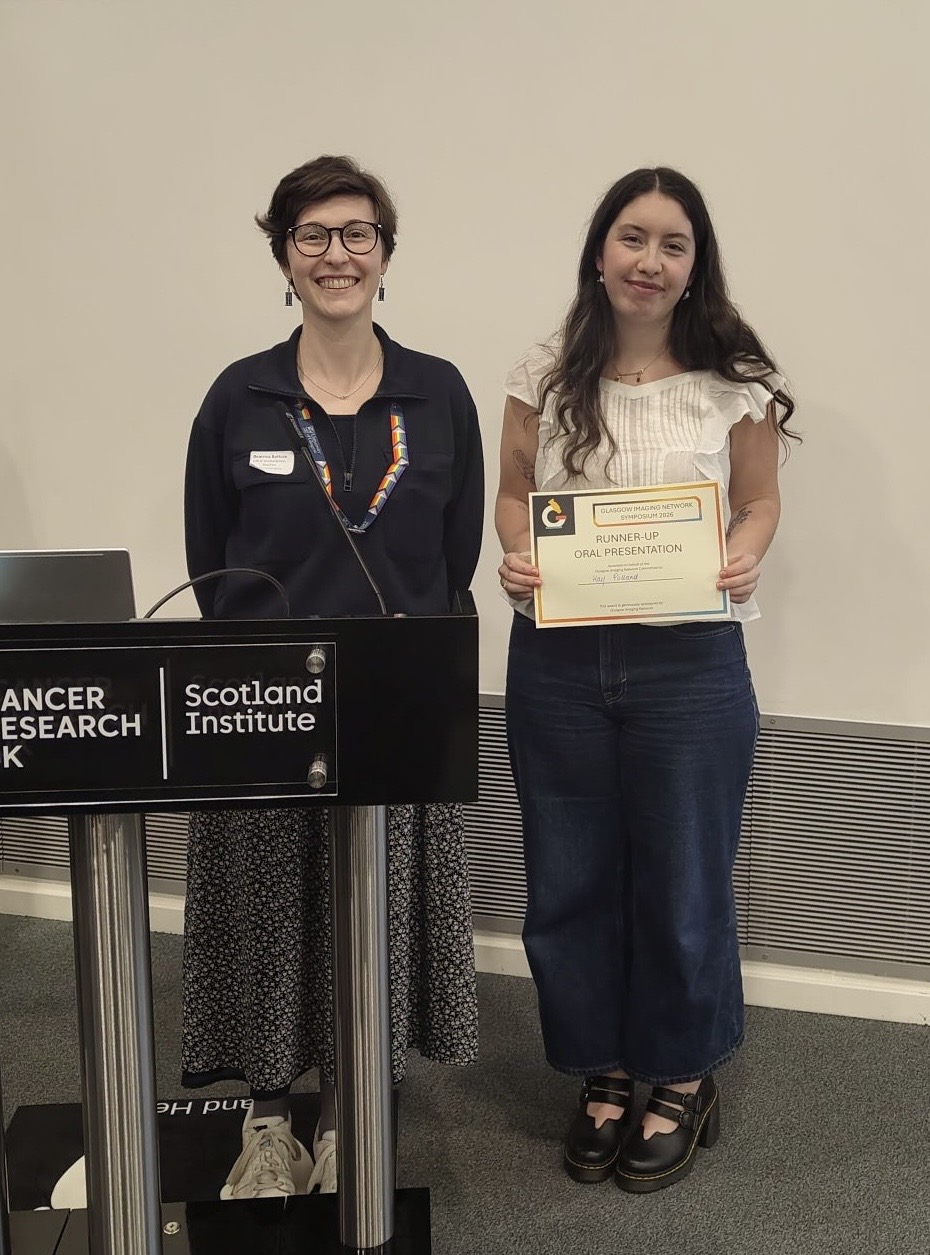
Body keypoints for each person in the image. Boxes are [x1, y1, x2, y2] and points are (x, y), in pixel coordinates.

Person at [183, 155, 483, 1199]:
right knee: (269, 916)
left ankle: (356, 1107)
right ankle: (266, 1117)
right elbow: (208, 554)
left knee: (376, 912)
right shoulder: (241, 395)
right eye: (312, 235)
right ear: (283, 257)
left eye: (357, 233)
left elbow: (454, 558)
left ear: (386, 255)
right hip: (265, 706)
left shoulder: (436, 392)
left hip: (396, 707)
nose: (337, 254)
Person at [496, 167, 797, 1193]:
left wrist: (746, 548)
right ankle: (604, 1068)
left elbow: (756, 501)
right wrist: (515, 553)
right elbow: (509, 492)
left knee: (682, 882)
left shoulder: (735, 378)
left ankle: (679, 1073)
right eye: (633, 237)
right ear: (599, 250)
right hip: (558, 658)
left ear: (694, 264)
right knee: (570, 878)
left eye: (673, 244)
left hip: (690, 663)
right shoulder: (544, 370)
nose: (650, 261)